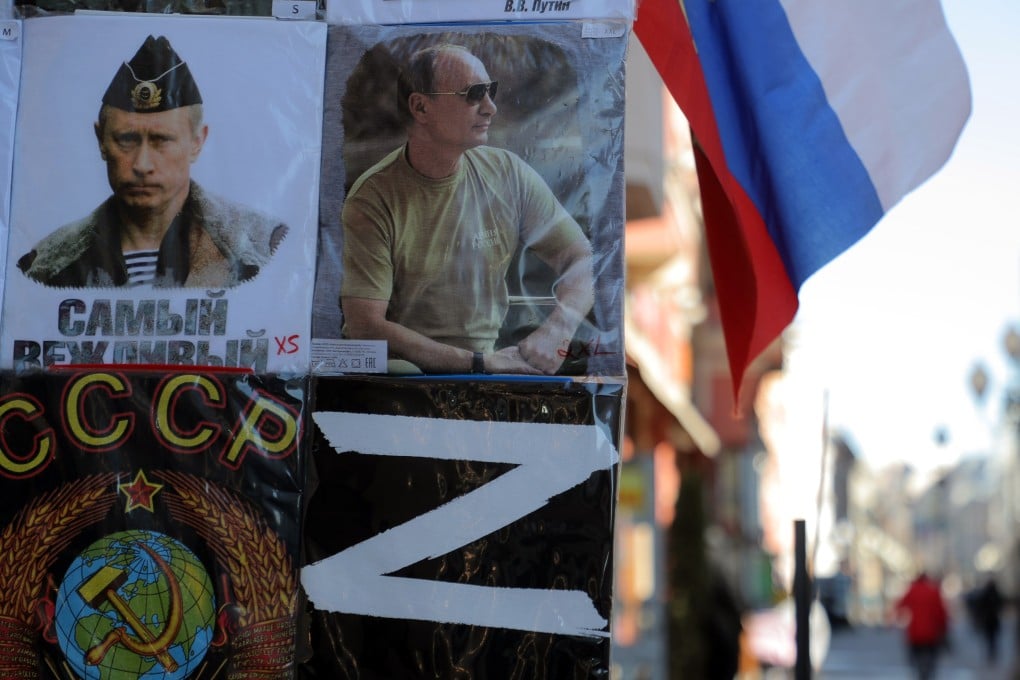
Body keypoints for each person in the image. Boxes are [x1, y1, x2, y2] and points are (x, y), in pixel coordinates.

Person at [340, 43, 594, 375]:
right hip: (398, 382)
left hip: (484, 373)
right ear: (421, 107)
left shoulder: (507, 173)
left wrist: (558, 330)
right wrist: (479, 363)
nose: (491, 108)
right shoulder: (373, 198)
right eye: (474, 93)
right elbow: (365, 326)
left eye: (492, 91)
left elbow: (584, 259)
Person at [18, 35, 287, 288]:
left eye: (161, 140)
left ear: (197, 142)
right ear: (101, 140)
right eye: (126, 139)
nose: (142, 165)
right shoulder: (44, 265)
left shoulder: (265, 246)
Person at [893, 571, 950, 680]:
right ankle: (928, 672)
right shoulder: (933, 591)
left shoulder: (912, 590)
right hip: (931, 632)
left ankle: (918, 671)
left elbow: (900, 605)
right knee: (931, 656)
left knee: (915, 656)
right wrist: (944, 627)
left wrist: (896, 618)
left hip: (915, 632)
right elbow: (941, 613)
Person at [970, 576, 1005, 664]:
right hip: (993, 620)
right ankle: (992, 653)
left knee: (989, 638)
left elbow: (980, 607)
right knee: (993, 639)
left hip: (988, 620)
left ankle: (991, 653)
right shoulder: (996, 594)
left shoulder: (985, 594)